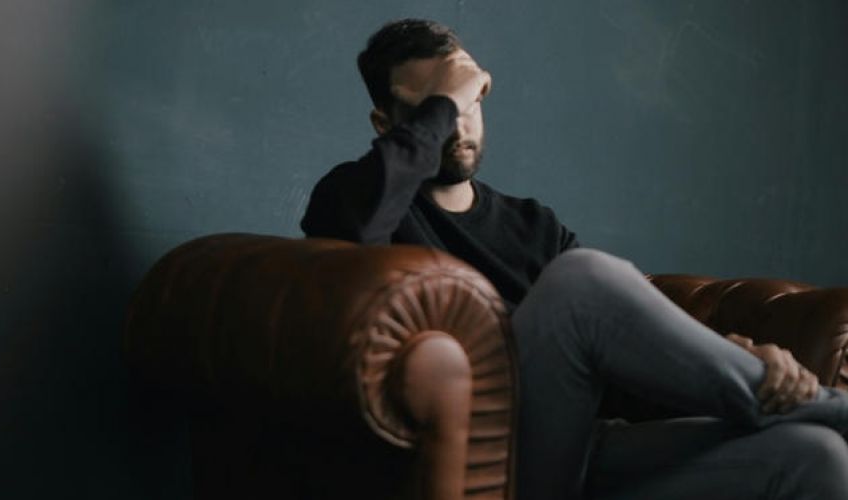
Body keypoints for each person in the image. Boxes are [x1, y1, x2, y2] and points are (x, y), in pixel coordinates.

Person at [301, 18, 848, 499]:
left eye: (469, 104)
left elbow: (622, 360)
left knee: (816, 455)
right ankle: (827, 406)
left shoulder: (534, 224)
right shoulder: (354, 199)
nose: (459, 126)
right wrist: (447, 99)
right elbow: (353, 233)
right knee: (580, 279)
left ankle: (801, 408)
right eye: (435, 110)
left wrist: (729, 357)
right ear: (385, 124)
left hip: (581, 453)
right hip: (486, 463)